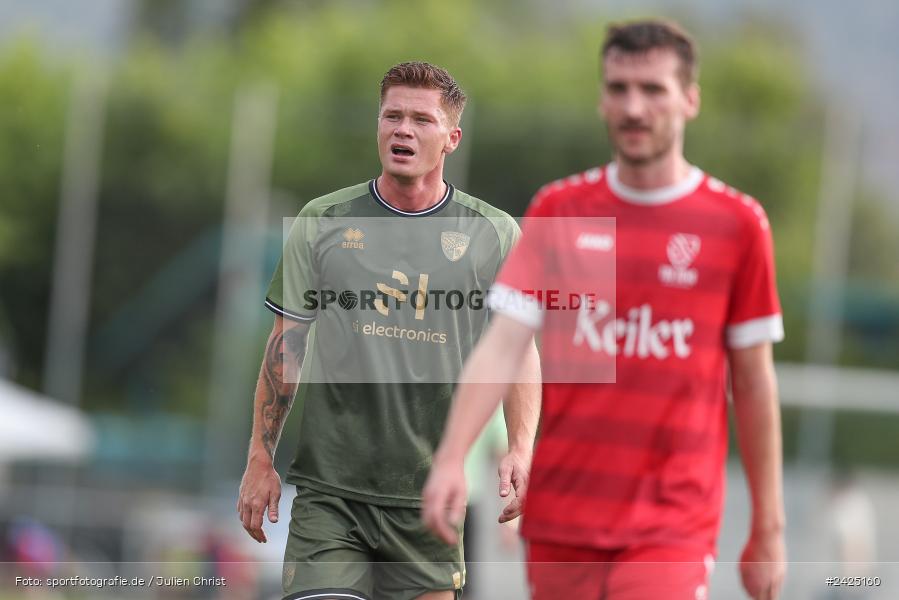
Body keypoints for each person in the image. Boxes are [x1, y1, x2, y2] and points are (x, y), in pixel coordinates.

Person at [423, 20, 786, 600]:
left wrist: (769, 526)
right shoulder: (560, 208)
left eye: (654, 89)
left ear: (690, 99)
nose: (634, 107)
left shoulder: (738, 225)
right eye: (619, 88)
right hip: (563, 517)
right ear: (601, 99)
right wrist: (450, 458)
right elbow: (503, 345)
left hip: (672, 525)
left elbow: (754, 382)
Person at [237, 61, 541, 600]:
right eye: (391, 116)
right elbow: (285, 351)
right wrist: (260, 459)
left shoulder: (493, 234)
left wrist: (520, 447)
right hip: (331, 498)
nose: (402, 129)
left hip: (430, 500)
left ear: (451, 138)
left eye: (421, 120)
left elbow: (517, 351)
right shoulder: (323, 221)